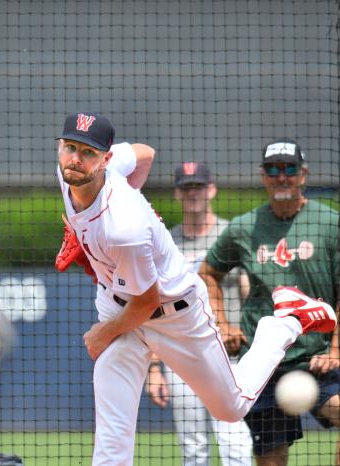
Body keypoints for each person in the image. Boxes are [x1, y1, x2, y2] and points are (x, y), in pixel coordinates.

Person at [53, 112, 336, 466]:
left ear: (105, 159)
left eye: (88, 152)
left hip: (173, 315)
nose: (76, 159)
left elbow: (146, 301)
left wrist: (100, 335)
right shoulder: (71, 175)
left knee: (231, 407)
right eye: (69, 147)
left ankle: (285, 322)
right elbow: (145, 153)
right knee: (112, 432)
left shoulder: (123, 228)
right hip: (117, 303)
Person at [198, 139, 340, 466]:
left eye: (289, 169)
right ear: (262, 176)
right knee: (271, 461)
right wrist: (222, 323)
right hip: (263, 367)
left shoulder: (330, 224)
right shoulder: (244, 228)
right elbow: (207, 273)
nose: (281, 177)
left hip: (317, 360)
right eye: (273, 170)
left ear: (303, 175)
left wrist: (334, 351)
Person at [145, 161, 253, 466]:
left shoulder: (231, 235)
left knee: (236, 444)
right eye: (187, 187)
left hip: (229, 356)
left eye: (199, 186)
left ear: (212, 189)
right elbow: (153, 306)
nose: (193, 192)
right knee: (193, 449)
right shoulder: (167, 242)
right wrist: (154, 368)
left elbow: (250, 290)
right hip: (183, 356)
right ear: (178, 193)